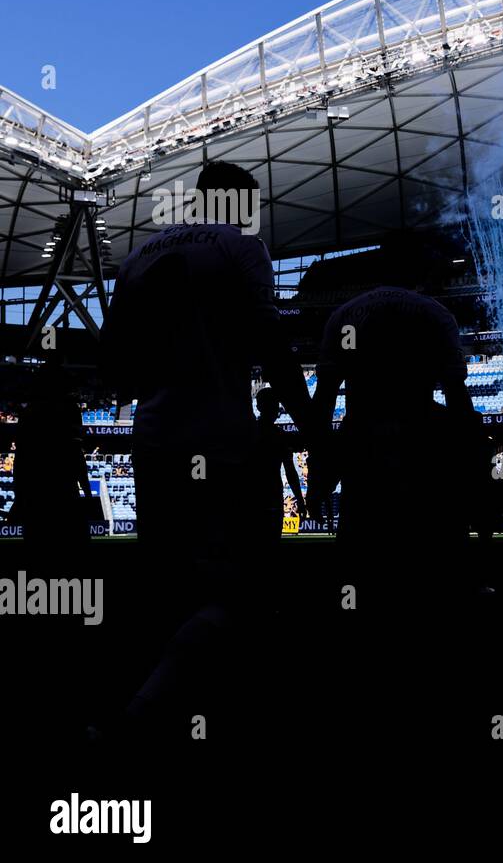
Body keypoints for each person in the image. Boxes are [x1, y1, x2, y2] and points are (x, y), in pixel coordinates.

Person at [99, 160, 313, 740]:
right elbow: (269, 341)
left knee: (163, 584)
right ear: (238, 201)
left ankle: (138, 713)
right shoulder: (242, 247)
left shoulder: (138, 256)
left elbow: (113, 365)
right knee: (237, 587)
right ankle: (165, 717)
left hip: (154, 438)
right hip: (218, 442)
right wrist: (310, 420)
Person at [310, 232, 480, 545]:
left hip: (363, 462)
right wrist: (473, 477)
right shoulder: (436, 314)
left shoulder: (344, 314)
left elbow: (322, 405)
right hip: (423, 459)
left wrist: (318, 475)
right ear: (414, 267)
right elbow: (458, 402)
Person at [10, 358, 94, 546]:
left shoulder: (29, 412)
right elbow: (76, 455)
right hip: (64, 495)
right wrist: (87, 495)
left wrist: (20, 498)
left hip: (36, 497)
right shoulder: (70, 410)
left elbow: (20, 460)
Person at [253, 387, 305, 542]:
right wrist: (300, 502)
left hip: (251, 499)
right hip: (271, 498)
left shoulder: (250, 433)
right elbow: (290, 471)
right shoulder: (279, 437)